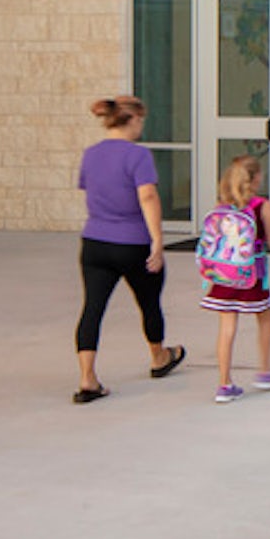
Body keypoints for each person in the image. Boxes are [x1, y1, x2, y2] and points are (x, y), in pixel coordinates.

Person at [72, 94, 186, 404]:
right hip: (133, 242)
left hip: (95, 242)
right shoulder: (138, 155)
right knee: (149, 302)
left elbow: (91, 190)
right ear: (132, 119)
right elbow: (147, 197)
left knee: (92, 308)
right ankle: (159, 357)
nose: (141, 127)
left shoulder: (91, 154)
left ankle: (87, 379)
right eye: (141, 121)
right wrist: (157, 241)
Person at [197, 153, 270, 401]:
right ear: (256, 178)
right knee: (265, 318)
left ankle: (224, 383)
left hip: (222, 275)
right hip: (252, 275)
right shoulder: (262, 205)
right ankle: (265, 370)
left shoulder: (221, 207)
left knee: (227, 327)